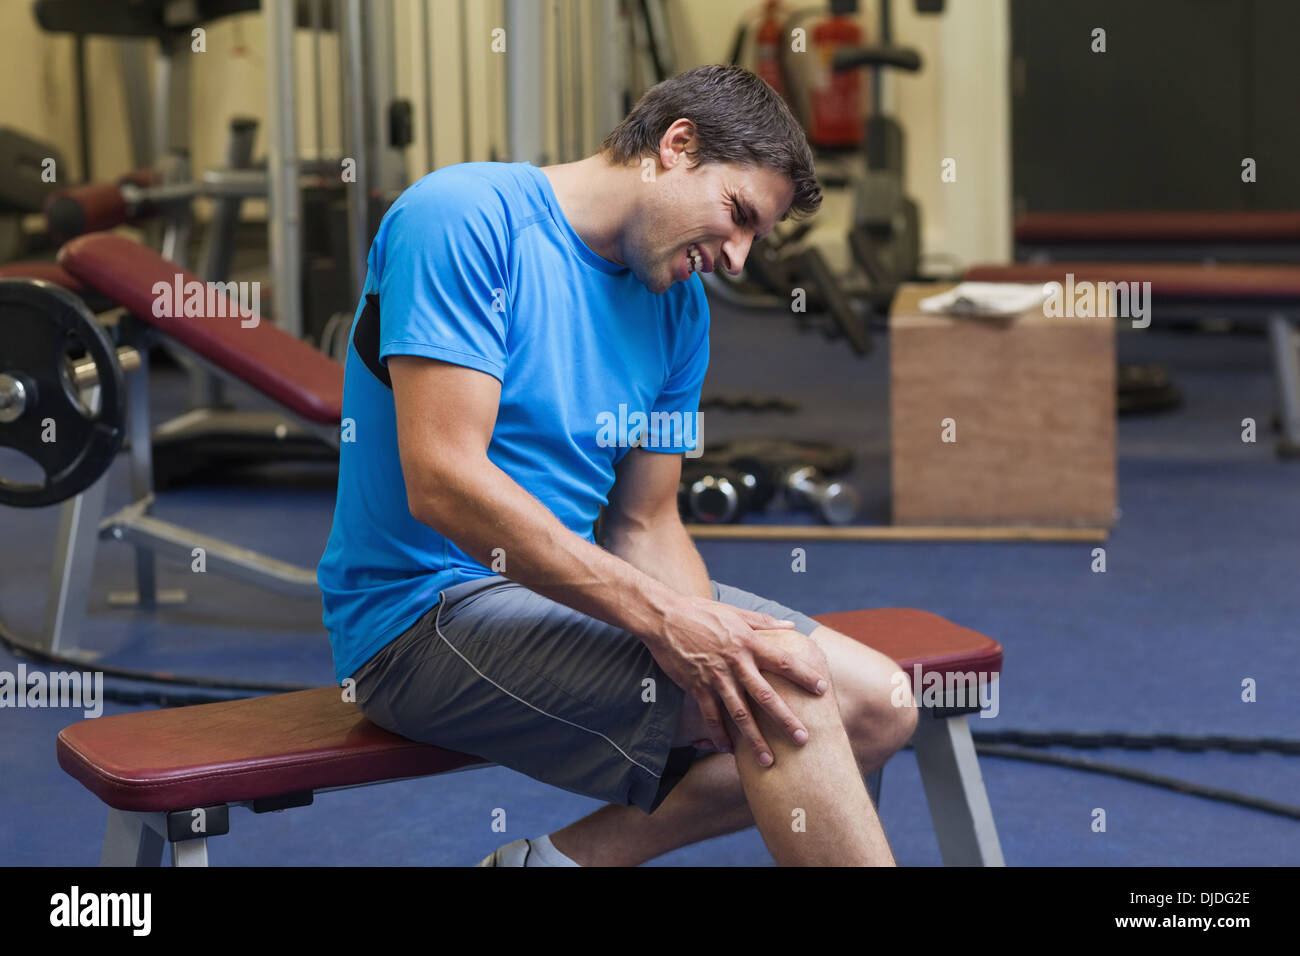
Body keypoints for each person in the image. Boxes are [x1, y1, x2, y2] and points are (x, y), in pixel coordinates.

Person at [317, 64, 917, 867]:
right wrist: (669, 625)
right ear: (676, 146)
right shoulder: (462, 218)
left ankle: (557, 864)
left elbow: (646, 521)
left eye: (756, 239)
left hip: (559, 596)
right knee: (788, 692)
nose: (738, 258)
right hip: (419, 618)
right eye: (737, 215)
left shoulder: (680, 307)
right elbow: (444, 482)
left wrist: (711, 648)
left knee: (880, 705)